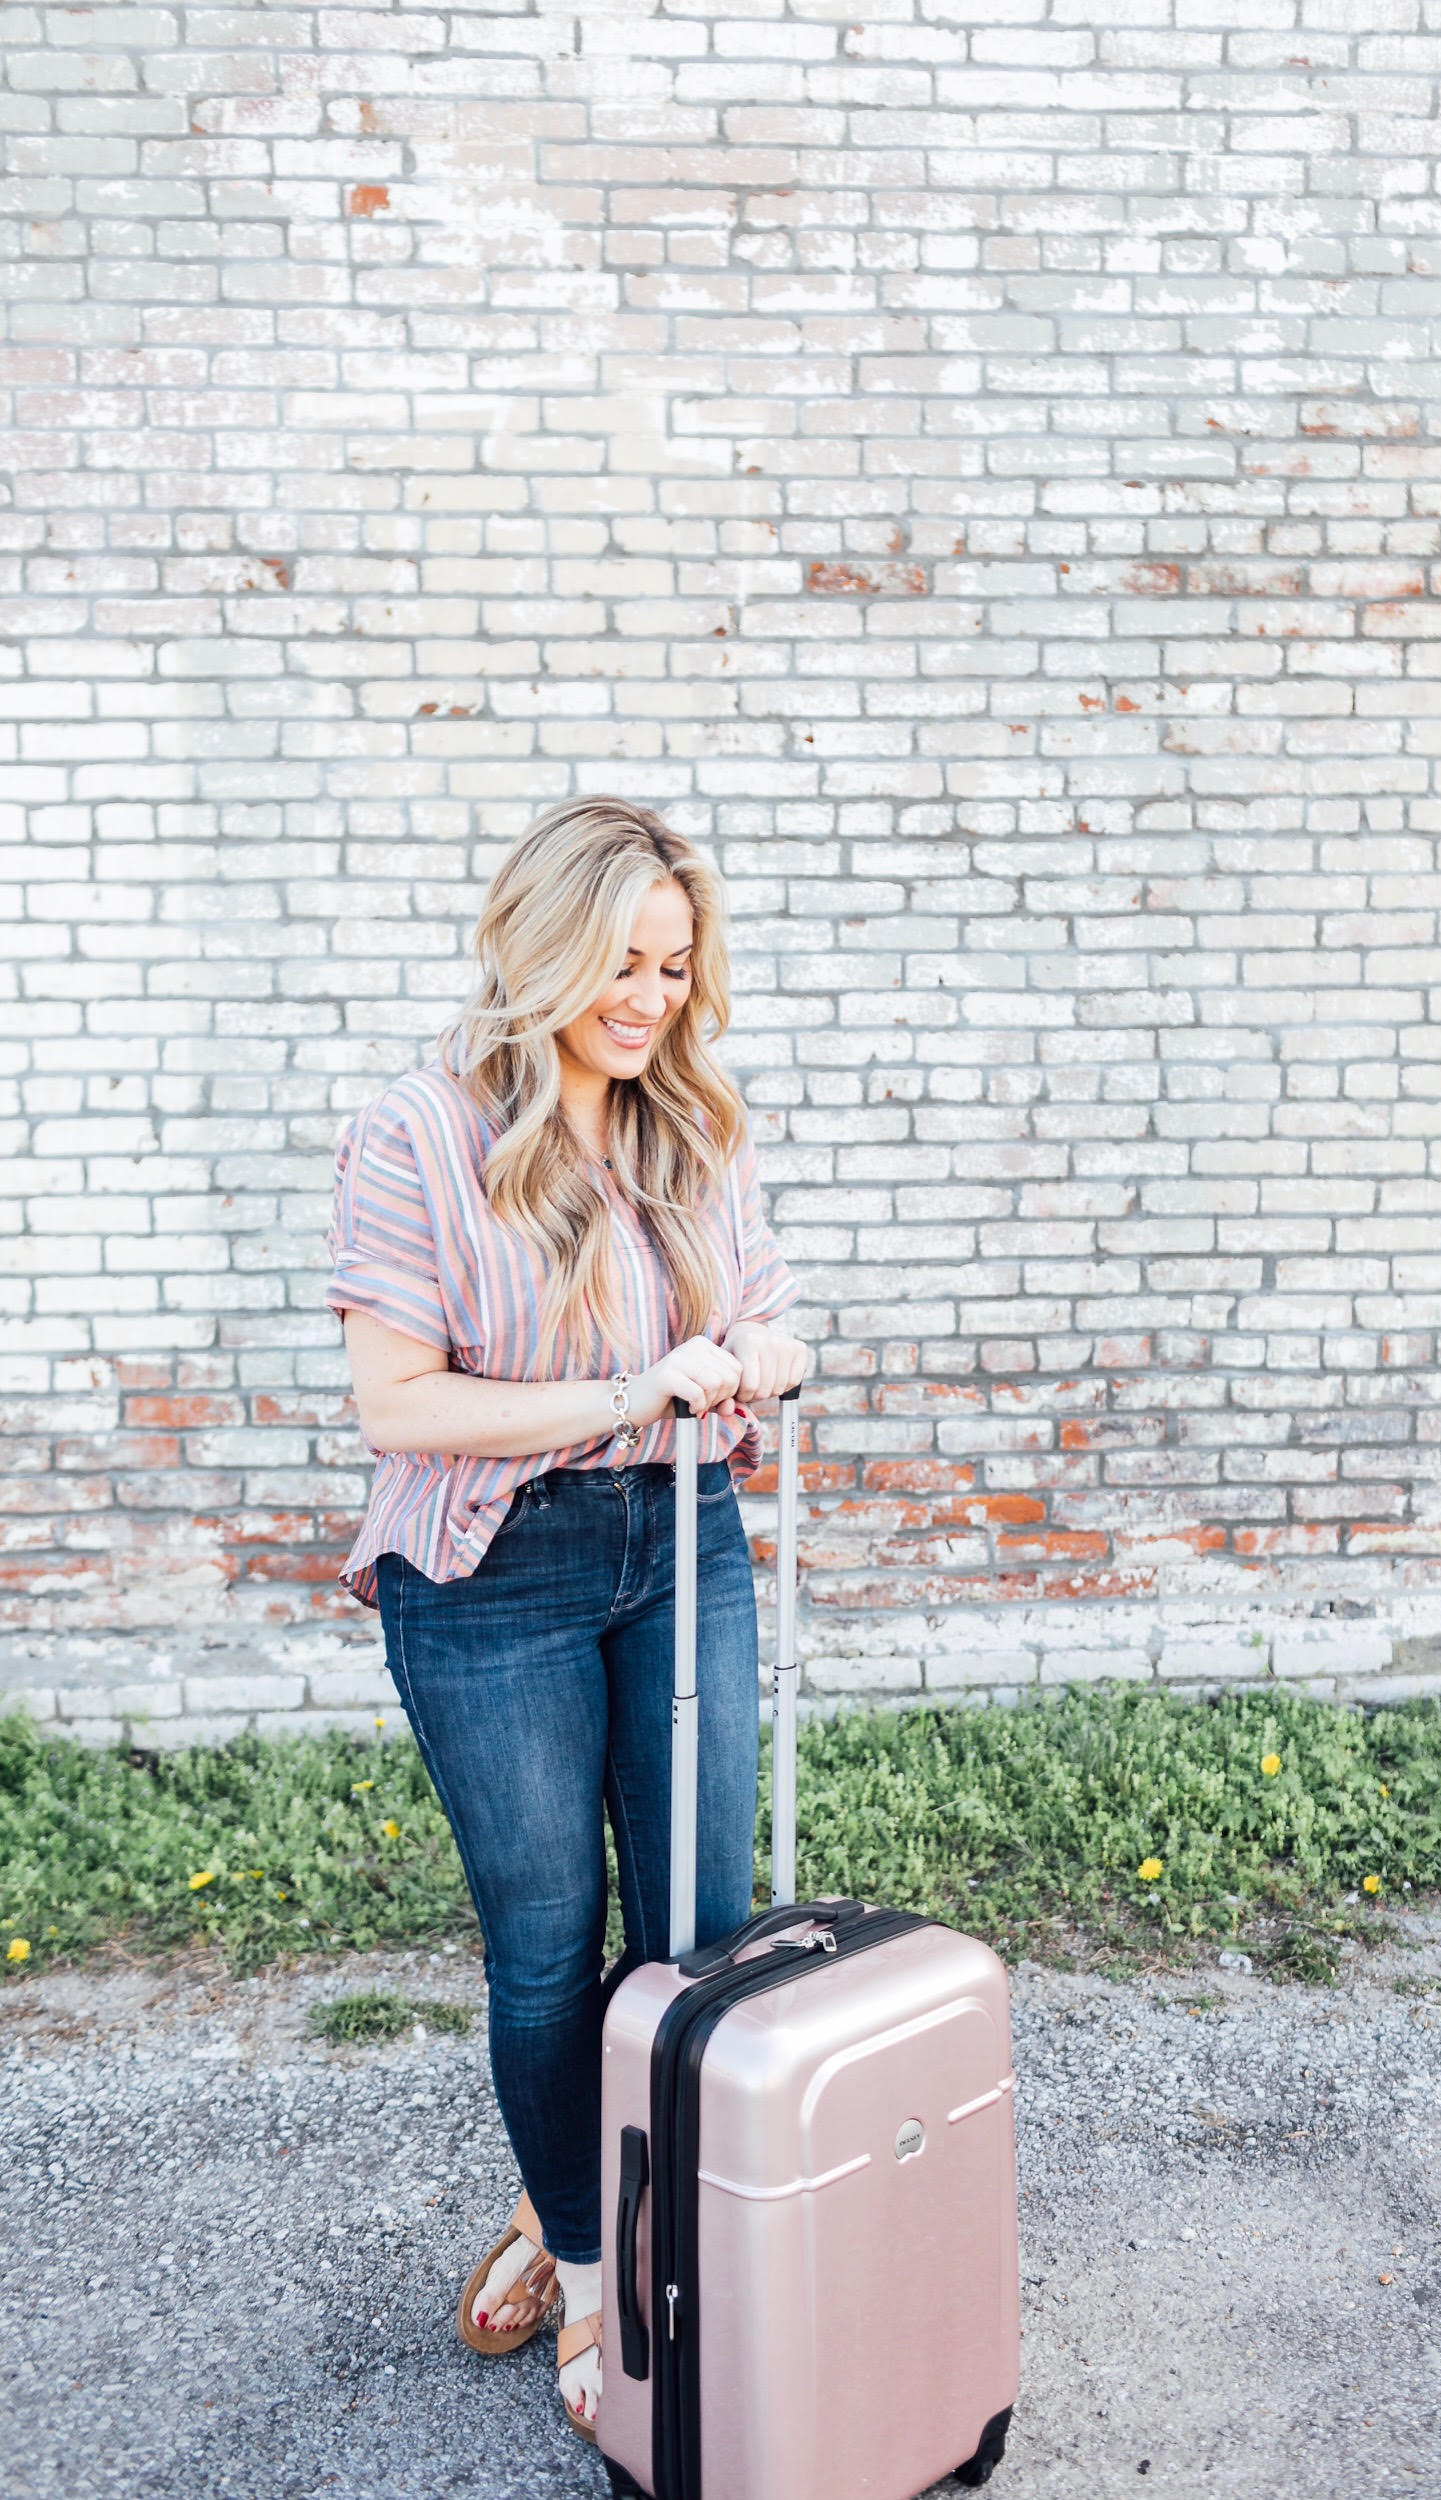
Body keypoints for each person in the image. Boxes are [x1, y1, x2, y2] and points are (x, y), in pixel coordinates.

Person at [324, 797, 808, 2441]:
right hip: (491, 1570)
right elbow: (399, 1408)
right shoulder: (419, 1131)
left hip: (683, 1537)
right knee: (549, 1947)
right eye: (622, 962)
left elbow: (761, 1303)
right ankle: (600, 2278)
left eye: (676, 966)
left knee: (699, 1931)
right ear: (543, 947)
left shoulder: (694, 1121)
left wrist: (770, 1356)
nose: (652, 997)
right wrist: (626, 1389)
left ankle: (610, 2214)